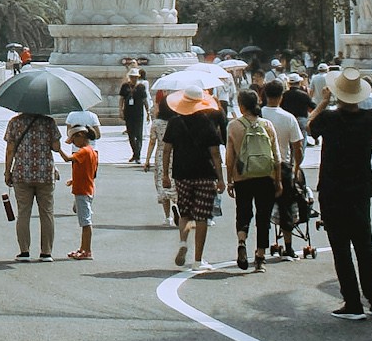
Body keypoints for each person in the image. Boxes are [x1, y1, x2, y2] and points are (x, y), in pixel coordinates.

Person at [309, 66, 372, 321]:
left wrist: (324, 101)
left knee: (341, 249)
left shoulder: (329, 119)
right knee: (365, 246)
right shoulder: (370, 119)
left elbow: (310, 126)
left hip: (334, 188)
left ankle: (352, 302)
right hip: (360, 187)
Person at [161, 86, 226, 274]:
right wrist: (221, 178)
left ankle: (183, 242)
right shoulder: (207, 122)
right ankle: (198, 260)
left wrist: (165, 174)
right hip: (204, 173)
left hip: (181, 173)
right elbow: (215, 154)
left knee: (185, 212)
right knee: (202, 216)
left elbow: (167, 150)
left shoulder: (174, 122)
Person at [224, 88, 283, 272]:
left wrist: (229, 180)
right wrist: (278, 180)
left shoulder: (234, 126)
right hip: (265, 176)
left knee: (243, 212)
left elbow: (229, 157)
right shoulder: (267, 124)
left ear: (241, 106)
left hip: (242, 176)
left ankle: (242, 242)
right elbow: (277, 156)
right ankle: (260, 257)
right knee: (263, 217)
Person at [5, 106, 65, 261]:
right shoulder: (49, 122)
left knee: (23, 213)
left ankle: (24, 251)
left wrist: (7, 171)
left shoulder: (15, 122)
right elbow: (56, 147)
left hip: (22, 173)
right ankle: (46, 252)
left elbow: (10, 149)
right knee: (47, 213)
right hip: (44, 173)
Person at [259, 80, 305, 261]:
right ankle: (288, 246)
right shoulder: (288, 117)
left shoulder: (258, 115)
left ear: (264, 94)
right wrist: (297, 167)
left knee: (262, 209)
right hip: (283, 166)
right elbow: (298, 147)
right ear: (282, 96)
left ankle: (261, 248)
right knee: (286, 207)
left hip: (260, 166)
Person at [66, 124, 98, 260]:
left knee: (85, 222)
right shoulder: (92, 151)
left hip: (83, 190)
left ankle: (87, 250)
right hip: (85, 188)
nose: (73, 143)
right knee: (84, 220)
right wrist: (74, 180)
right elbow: (89, 172)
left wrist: (57, 149)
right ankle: (83, 248)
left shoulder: (84, 151)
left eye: (74, 140)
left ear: (81, 136)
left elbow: (67, 158)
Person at [118, 70, 148, 166]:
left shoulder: (141, 87)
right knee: (131, 134)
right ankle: (135, 153)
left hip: (139, 113)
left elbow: (144, 99)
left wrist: (148, 112)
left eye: (135, 77)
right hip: (128, 112)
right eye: (132, 77)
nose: (133, 79)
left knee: (139, 135)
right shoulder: (125, 86)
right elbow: (121, 99)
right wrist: (120, 110)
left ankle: (137, 155)